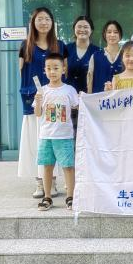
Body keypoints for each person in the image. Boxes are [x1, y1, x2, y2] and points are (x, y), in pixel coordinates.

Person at [18, 7, 68, 199]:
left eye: (47, 19)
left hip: (55, 103)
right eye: (40, 19)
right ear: (33, 22)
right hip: (34, 101)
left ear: (52, 22)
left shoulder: (60, 46)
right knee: (35, 143)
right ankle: (39, 182)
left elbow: (66, 72)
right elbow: (21, 72)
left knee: (53, 142)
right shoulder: (25, 46)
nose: (44, 22)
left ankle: (52, 182)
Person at [33, 53, 78, 211]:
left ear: (63, 69)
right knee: (47, 167)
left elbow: (78, 106)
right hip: (46, 136)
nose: (52, 71)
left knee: (68, 167)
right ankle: (47, 197)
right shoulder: (42, 91)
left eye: (56, 68)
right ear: (44, 70)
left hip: (64, 136)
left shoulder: (69, 90)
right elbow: (38, 113)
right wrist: (38, 101)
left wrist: (84, 99)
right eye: (49, 68)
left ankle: (71, 197)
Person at [66, 16, 100, 94]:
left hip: (88, 96)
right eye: (79, 27)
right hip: (68, 95)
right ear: (74, 29)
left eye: (85, 27)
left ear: (91, 30)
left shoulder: (97, 52)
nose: (82, 30)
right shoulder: (66, 49)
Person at [87, 21, 124, 93]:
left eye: (116, 32)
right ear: (104, 35)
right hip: (99, 98)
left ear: (120, 35)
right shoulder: (95, 56)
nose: (112, 35)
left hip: (121, 98)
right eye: (109, 32)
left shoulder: (126, 56)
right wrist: (89, 95)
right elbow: (90, 79)